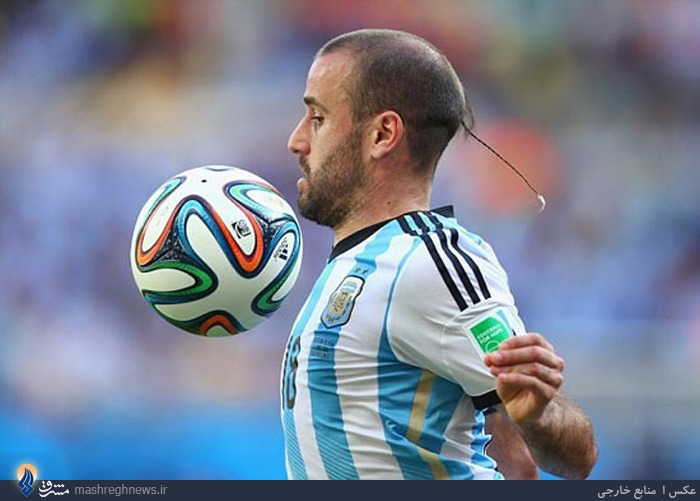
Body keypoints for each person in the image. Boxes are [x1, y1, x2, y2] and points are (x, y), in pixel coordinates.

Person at [280, 28, 597, 480]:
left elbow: (569, 453)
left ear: (382, 134)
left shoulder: (427, 261)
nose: (296, 140)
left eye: (318, 118)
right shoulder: (356, 263)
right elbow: (514, 461)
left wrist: (539, 417)